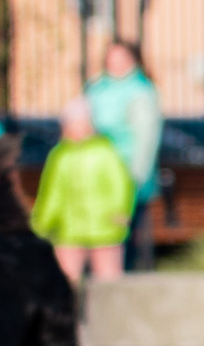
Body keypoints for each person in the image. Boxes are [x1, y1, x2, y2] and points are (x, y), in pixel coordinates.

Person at [32, 96, 138, 289]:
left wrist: (120, 212)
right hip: (69, 230)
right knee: (64, 281)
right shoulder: (59, 155)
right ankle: (68, 316)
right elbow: (52, 195)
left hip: (105, 227)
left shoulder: (106, 152)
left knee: (108, 281)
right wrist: (41, 225)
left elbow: (120, 186)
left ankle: (111, 315)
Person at [83, 40, 162, 267]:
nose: (114, 63)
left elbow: (146, 137)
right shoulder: (97, 87)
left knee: (125, 233)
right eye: (111, 57)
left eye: (120, 57)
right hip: (96, 173)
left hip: (126, 172)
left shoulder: (140, 91)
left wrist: (137, 175)